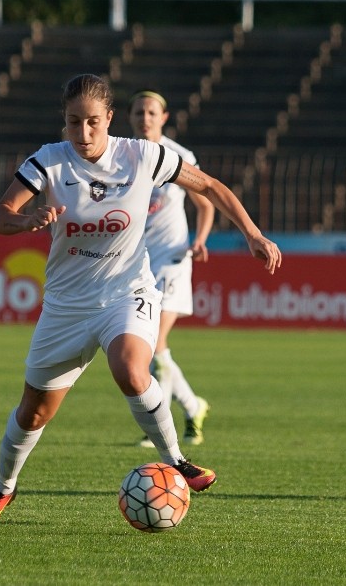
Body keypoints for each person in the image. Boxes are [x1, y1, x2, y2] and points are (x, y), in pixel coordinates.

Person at [0, 74, 282, 521]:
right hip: (66, 306)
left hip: (127, 291)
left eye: (92, 122)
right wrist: (26, 221)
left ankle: (177, 460)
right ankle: (3, 487)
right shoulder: (49, 161)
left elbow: (210, 187)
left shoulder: (142, 156)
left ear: (110, 118)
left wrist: (253, 234)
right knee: (33, 413)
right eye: (74, 122)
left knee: (131, 370)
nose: (83, 133)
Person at [127, 89, 213, 448]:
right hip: (138, 263)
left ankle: (158, 427)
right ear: (130, 117)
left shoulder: (179, 156)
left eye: (151, 113)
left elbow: (205, 202)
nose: (145, 118)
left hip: (174, 259)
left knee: (154, 342)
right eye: (139, 112)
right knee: (150, 346)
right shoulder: (124, 155)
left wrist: (200, 240)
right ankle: (193, 406)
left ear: (163, 118)